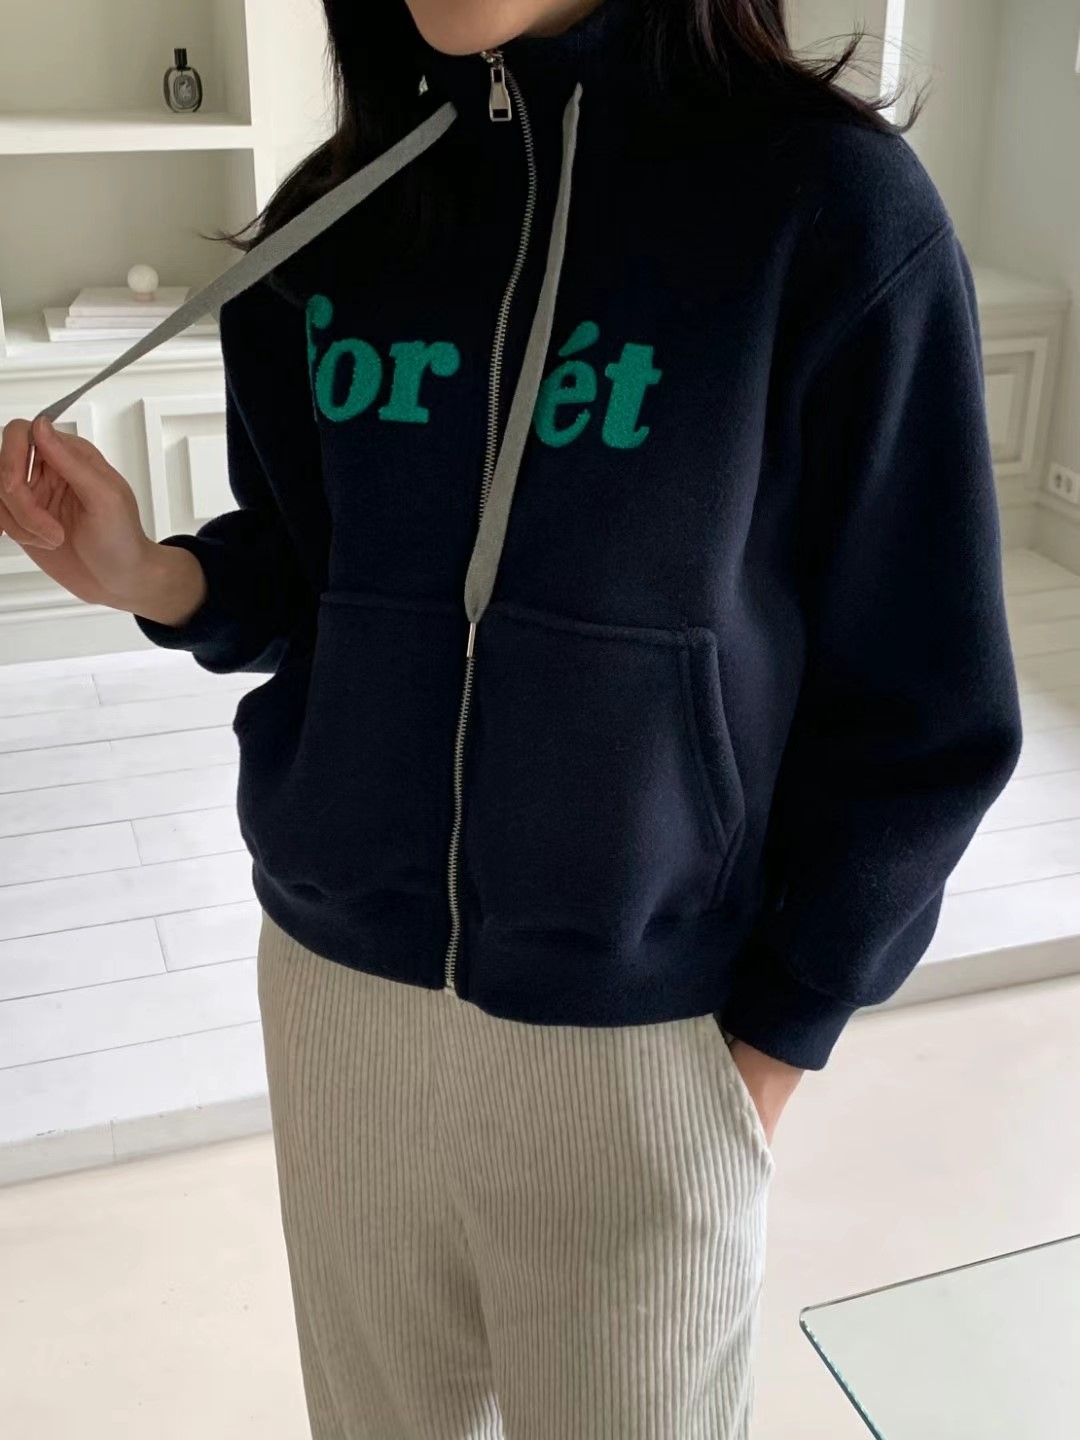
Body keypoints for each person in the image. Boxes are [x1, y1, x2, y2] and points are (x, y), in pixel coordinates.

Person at [0, 0, 1022, 1434]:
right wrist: (154, 577)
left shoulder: (828, 213)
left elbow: (927, 702)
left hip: (646, 1040)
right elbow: (311, 576)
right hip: (338, 1004)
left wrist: (770, 1049)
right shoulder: (336, 223)